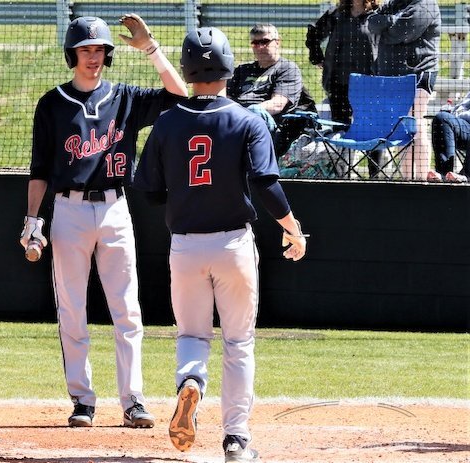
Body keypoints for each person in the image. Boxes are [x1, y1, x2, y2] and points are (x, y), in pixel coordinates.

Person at [134, 27, 307, 462]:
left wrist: (184, 191)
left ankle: (191, 382)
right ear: (229, 66)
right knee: (238, 342)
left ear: (187, 68)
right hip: (233, 244)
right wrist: (292, 227)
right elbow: (266, 183)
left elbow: (149, 192)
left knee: (192, 334)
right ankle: (236, 439)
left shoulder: (168, 121)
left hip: (186, 246)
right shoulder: (247, 120)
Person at [18, 15, 187, 428]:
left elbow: (179, 95)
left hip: (115, 208)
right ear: (72, 54)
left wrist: (151, 49)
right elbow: (40, 169)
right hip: (69, 210)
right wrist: (32, 220)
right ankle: (83, 400)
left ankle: (133, 400)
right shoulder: (52, 103)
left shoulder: (124, 97)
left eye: (99, 49)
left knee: (126, 309)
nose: (93, 57)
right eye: (85, 49)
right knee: (72, 310)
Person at [367, 0, 441, 181]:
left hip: (418, 74)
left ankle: (421, 179)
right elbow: (371, 23)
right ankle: (408, 178)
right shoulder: (394, 3)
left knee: (415, 121)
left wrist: (385, 28)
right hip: (394, 77)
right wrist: (393, 20)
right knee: (402, 125)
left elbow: (402, 33)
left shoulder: (425, 4)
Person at [306, 0, 381, 177]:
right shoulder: (336, 14)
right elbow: (314, 33)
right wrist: (317, 57)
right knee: (340, 130)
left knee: (372, 129)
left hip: (369, 83)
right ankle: (342, 176)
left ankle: (375, 177)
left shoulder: (378, 15)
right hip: (338, 82)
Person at [227, 23, 316, 158]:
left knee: (255, 111)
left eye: (265, 42)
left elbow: (277, 104)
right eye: (255, 43)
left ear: (277, 42)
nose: (260, 47)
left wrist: (242, 114)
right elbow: (225, 98)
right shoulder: (242, 70)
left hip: (271, 128)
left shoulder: (287, 69)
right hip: (238, 122)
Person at [427, 91, 470, 183]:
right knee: (442, 117)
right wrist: (451, 111)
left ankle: (467, 175)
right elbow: (463, 108)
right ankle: (444, 174)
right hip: (464, 125)